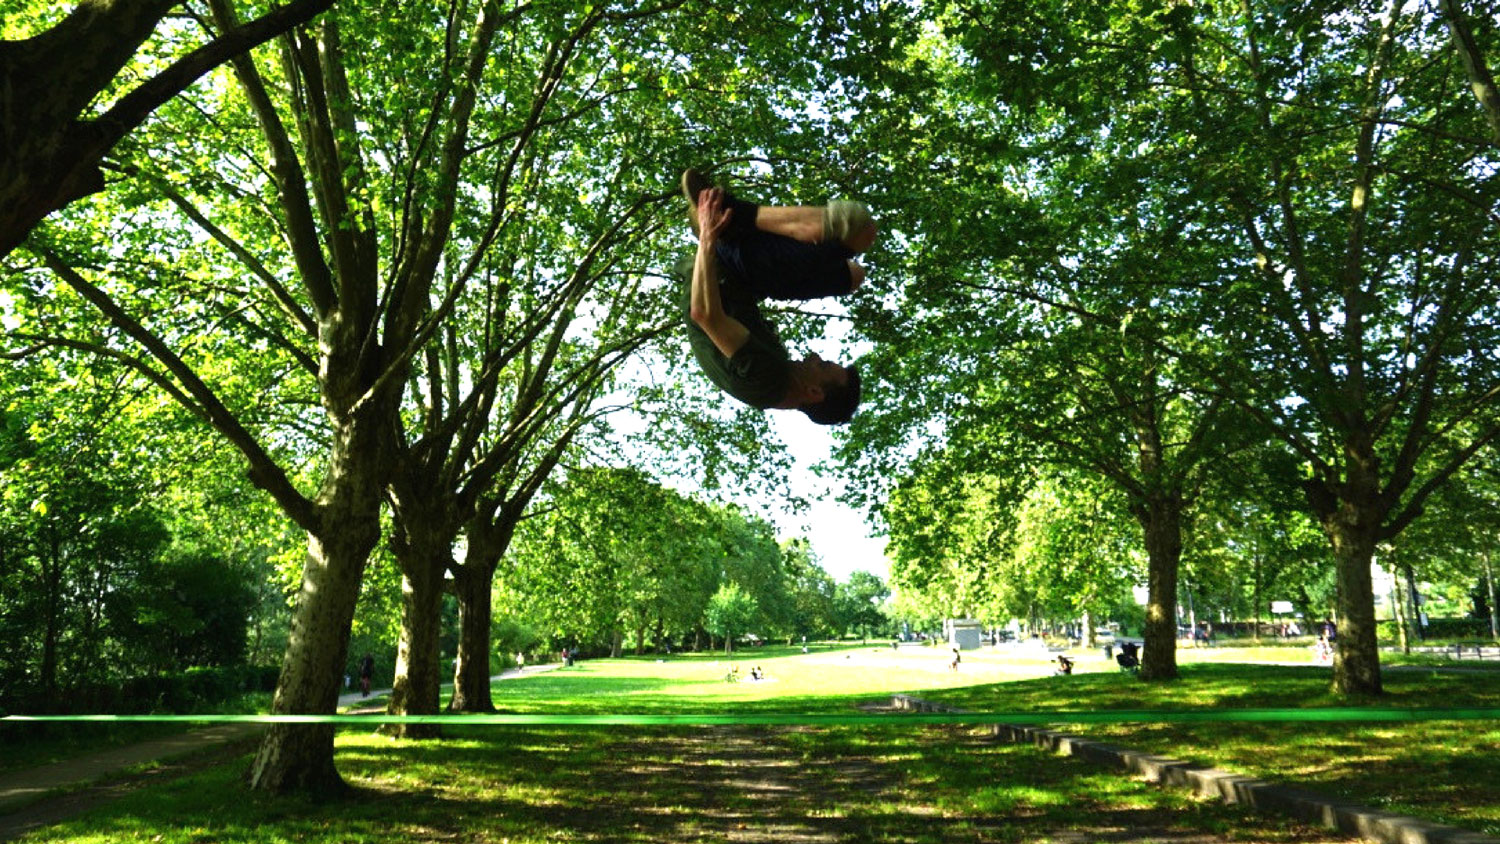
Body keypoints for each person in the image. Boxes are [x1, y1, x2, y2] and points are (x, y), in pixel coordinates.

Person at [679, 169, 874, 425]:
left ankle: (732, 213)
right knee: (853, 276)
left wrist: (708, 236)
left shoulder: (766, 380)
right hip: (744, 281)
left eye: (822, 365)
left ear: (814, 392)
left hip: (726, 266)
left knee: (858, 226)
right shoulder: (777, 383)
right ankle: (729, 221)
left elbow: (704, 314)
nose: (815, 356)